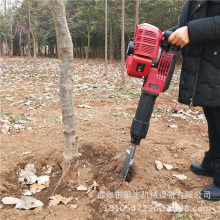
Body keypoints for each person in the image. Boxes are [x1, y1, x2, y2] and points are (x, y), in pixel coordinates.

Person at [167, 0, 220, 201]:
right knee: (213, 113)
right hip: (209, 63)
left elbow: (193, 27)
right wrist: (168, 34)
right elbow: (192, 21)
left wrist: (191, 30)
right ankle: (214, 161)